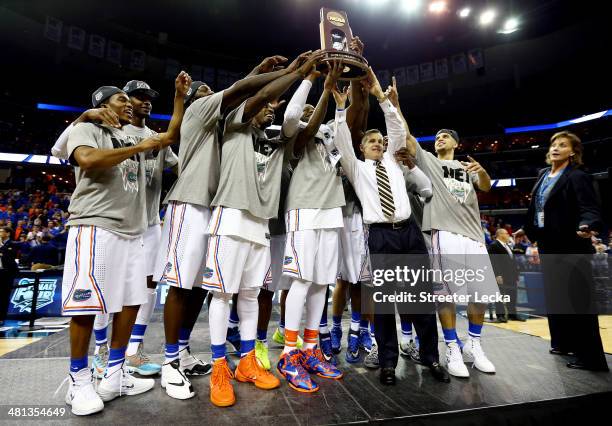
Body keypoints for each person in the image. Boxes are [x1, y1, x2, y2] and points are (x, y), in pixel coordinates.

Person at [153, 54, 300, 401]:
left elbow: (240, 97)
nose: (210, 93)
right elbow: (238, 92)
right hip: (191, 202)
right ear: (195, 102)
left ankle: (185, 351)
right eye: (204, 91)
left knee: (203, 288)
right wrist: (287, 72)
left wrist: (257, 72)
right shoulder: (198, 112)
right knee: (179, 285)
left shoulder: (224, 124)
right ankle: (169, 362)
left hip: (217, 205)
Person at [203, 50, 324, 407]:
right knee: (223, 295)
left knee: (251, 296)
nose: (271, 107)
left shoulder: (279, 141)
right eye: (268, 104)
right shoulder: (233, 125)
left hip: (261, 225)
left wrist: (313, 80)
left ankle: (247, 363)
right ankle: (218, 367)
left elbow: (302, 123)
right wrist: (292, 71)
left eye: (275, 106)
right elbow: (251, 95)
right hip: (230, 216)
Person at [58, 85, 181, 416]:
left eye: (131, 100)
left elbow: (167, 138)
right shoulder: (87, 128)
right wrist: (141, 145)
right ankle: (79, 380)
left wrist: (179, 100)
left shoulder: (134, 137)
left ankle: (114, 374)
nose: (130, 104)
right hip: (95, 224)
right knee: (86, 306)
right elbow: (86, 159)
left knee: (130, 303)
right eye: (122, 99)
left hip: (133, 229)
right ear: (103, 105)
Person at [333, 68, 449, 385]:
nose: (377, 143)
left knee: (420, 301)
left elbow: (396, 129)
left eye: (378, 140)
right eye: (370, 140)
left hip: (409, 232)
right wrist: (341, 109)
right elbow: (341, 141)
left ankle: (431, 359)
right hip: (381, 236)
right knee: (384, 305)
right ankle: (387, 363)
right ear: (361, 148)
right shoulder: (356, 168)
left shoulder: (396, 162)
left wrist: (383, 99)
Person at [401, 78, 499, 378]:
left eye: (446, 136)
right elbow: (406, 137)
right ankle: (452, 347)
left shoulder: (467, 168)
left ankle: (474, 345)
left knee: (478, 294)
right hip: (444, 233)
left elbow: (485, 187)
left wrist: (482, 171)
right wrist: (395, 104)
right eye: (438, 136)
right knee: (445, 295)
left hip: (473, 234)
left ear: (457, 143)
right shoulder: (429, 162)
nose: (440, 138)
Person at [276, 61, 345, 393]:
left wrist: (346, 93)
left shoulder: (331, 133)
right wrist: (315, 82)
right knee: (301, 281)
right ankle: (289, 353)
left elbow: (350, 128)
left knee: (321, 284)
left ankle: (310, 347)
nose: (309, 110)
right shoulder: (294, 131)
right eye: (307, 107)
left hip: (332, 209)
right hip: (303, 207)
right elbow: (291, 117)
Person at [524, 131, 608, 372]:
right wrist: (527, 229)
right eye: (553, 144)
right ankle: (564, 343)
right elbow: (540, 208)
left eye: (562, 145)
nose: (555, 148)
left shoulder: (577, 176)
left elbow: (590, 208)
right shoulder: (543, 175)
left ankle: (592, 358)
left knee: (578, 301)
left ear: (573, 152)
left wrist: (588, 225)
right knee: (558, 298)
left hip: (571, 244)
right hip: (548, 243)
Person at [488, 228, 522, 322]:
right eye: (507, 233)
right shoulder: (494, 245)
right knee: (499, 296)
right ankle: (500, 316)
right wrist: (497, 275)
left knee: (512, 295)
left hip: (511, 275)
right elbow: (493, 262)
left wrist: (516, 274)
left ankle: (512, 314)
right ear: (500, 234)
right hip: (501, 276)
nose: (508, 235)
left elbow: (511, 261)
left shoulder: (507, 245)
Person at [0, 226, 17, 325]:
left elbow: (11, 257)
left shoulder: (12, 244)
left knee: (3, 296)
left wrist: (2, 247)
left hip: (5, 273)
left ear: (8, 233)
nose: (0, 233)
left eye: (1, 231)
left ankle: (2, 317)